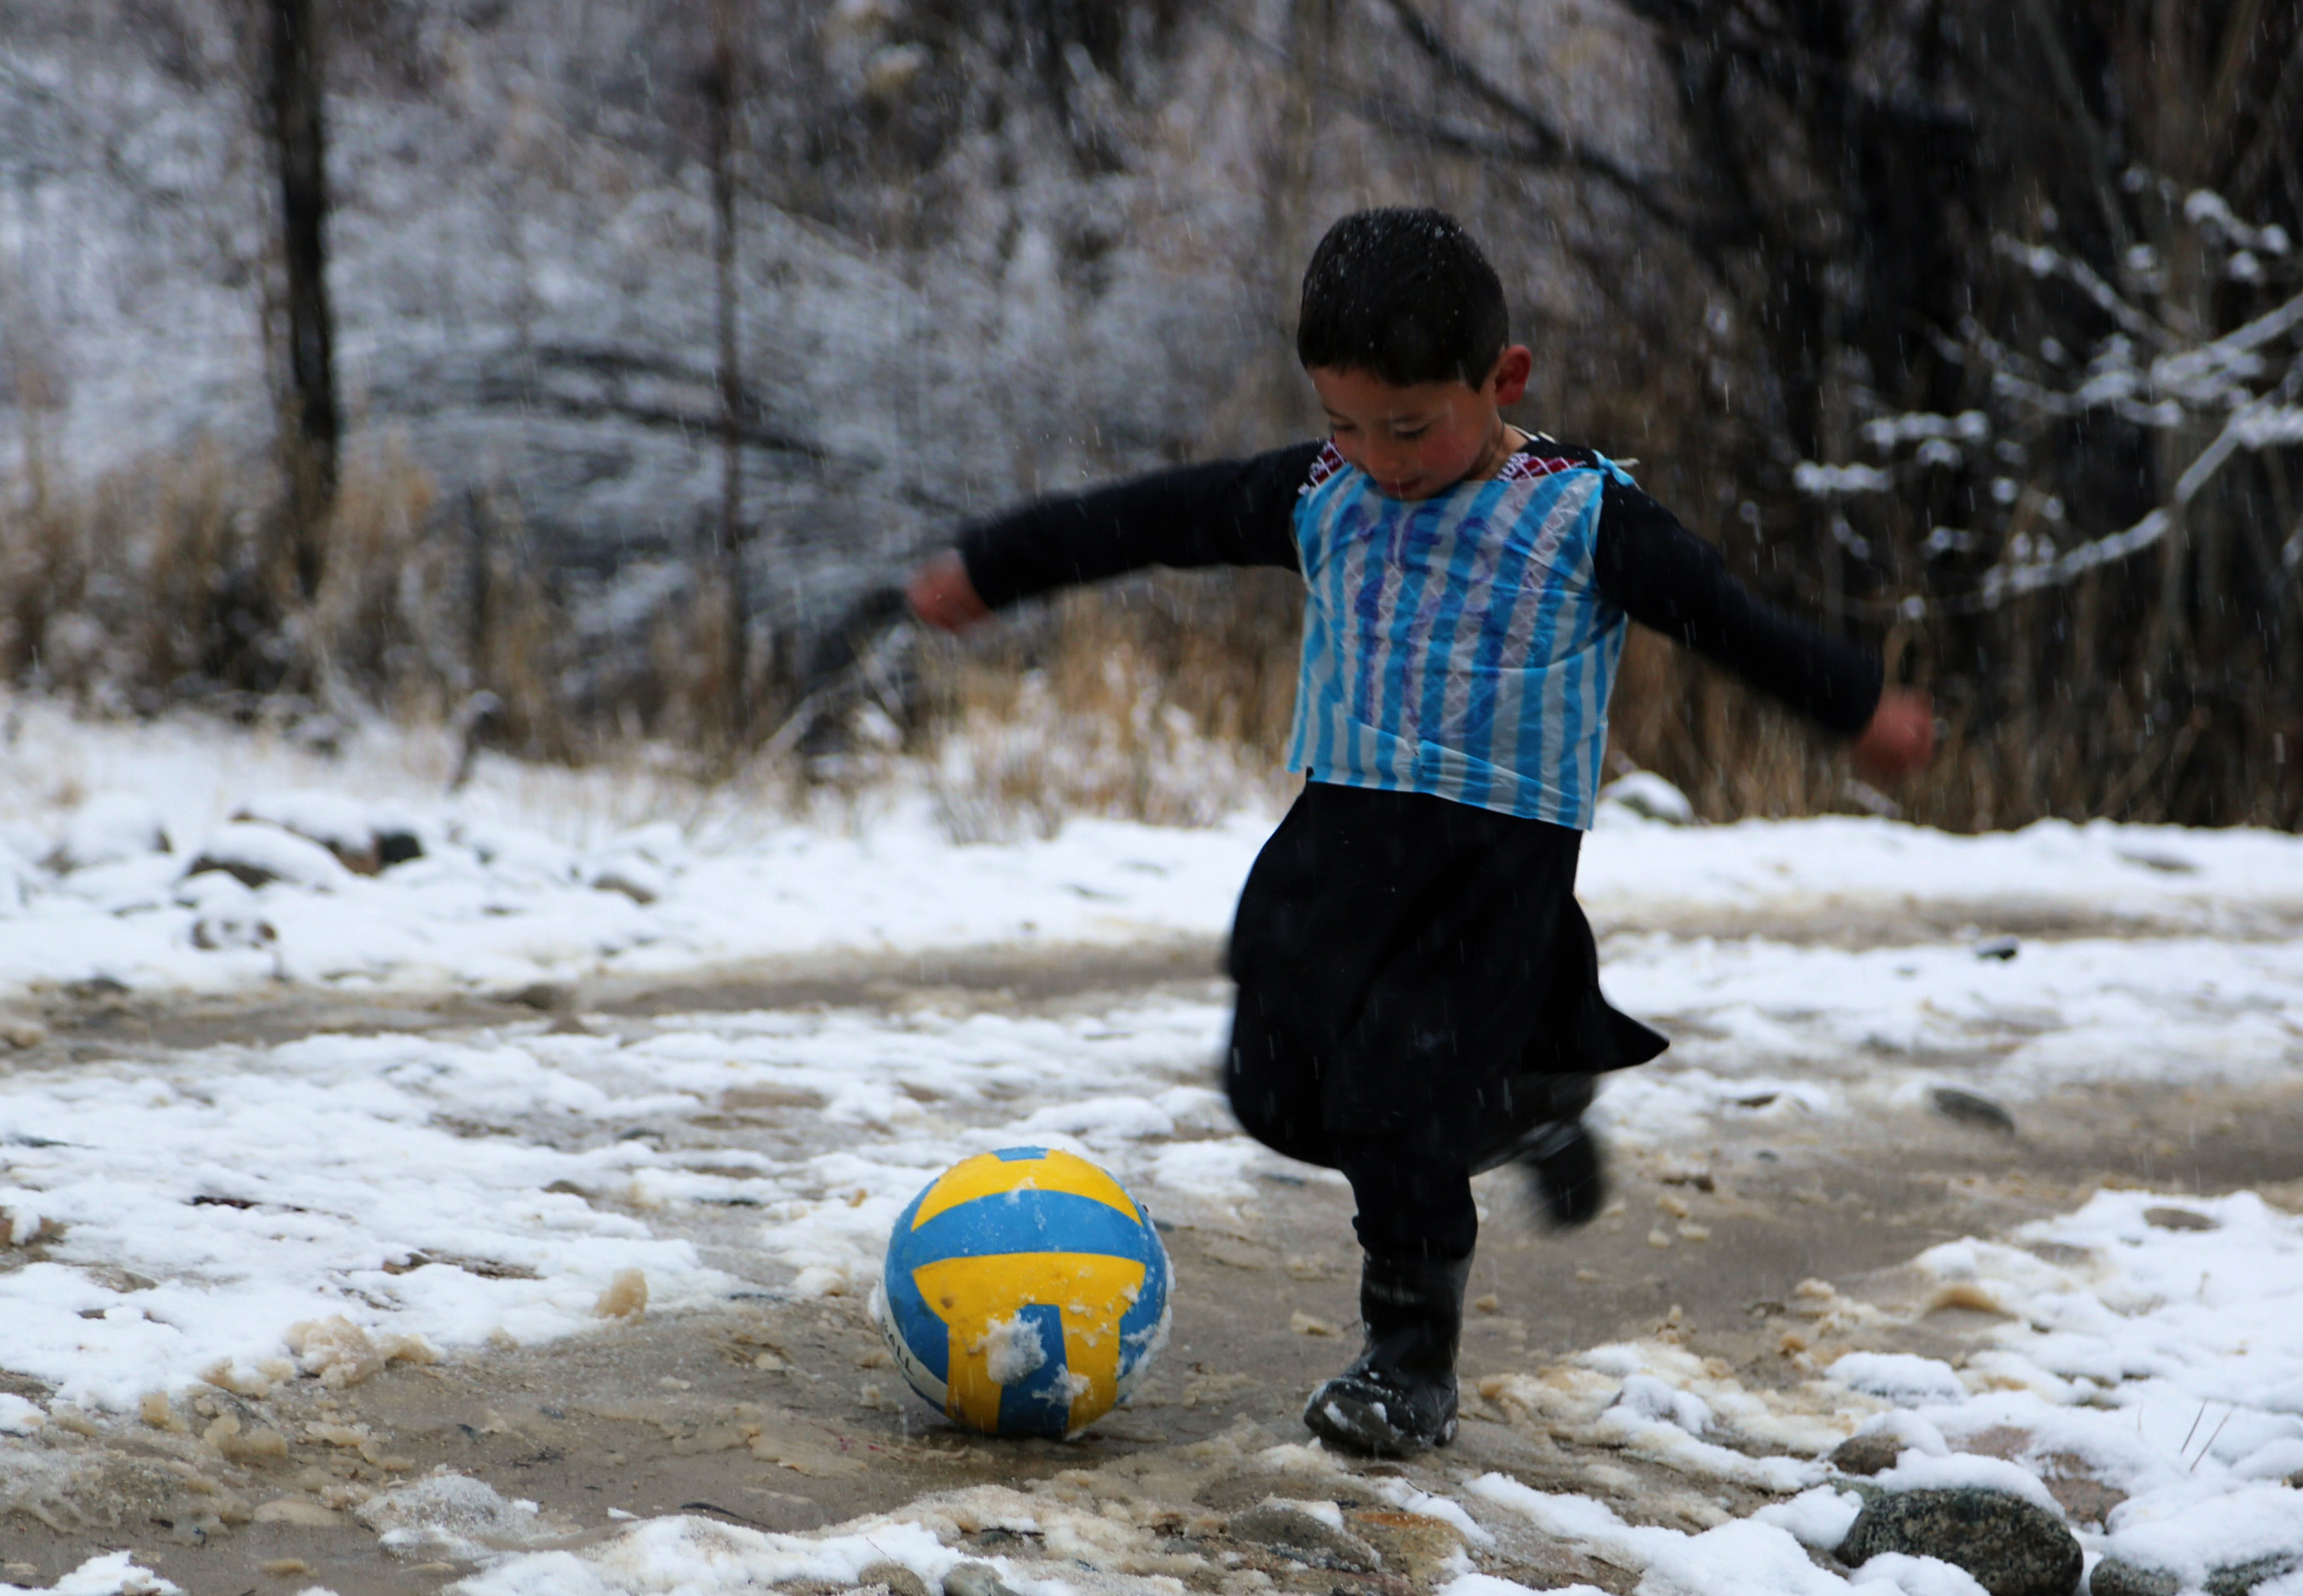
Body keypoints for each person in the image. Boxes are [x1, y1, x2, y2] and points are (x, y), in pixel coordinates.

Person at [905, 207, 1935, 1456]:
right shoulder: (1321, 493)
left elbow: (1728, 618)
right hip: (1340, 840)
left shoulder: (1581, 515)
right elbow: (1149, 519)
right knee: (1276, 1092)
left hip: (1489, 872)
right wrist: (994, 567)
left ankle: (1410, 1364)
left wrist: (1854, 703)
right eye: (1344, 421)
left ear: (1502, 381)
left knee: (1391, 1106)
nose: (1378, 458)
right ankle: (1529, 1097)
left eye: (1410, 426)